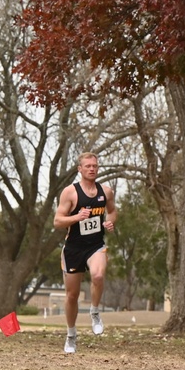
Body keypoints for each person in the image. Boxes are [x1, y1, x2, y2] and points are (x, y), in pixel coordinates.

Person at [53, 152, 118, 354]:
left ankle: (95, 312)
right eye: (88, 166)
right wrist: (77, 218)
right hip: (73, 248)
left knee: (98, 275)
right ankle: (71, 335)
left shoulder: (106, 192)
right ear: (79, 169)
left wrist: (110, 221)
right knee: (72, 296)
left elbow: (113, 211)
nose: (92, 169)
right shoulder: (70, 193)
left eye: (95, 166)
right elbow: (57, 222)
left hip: (95, 245)